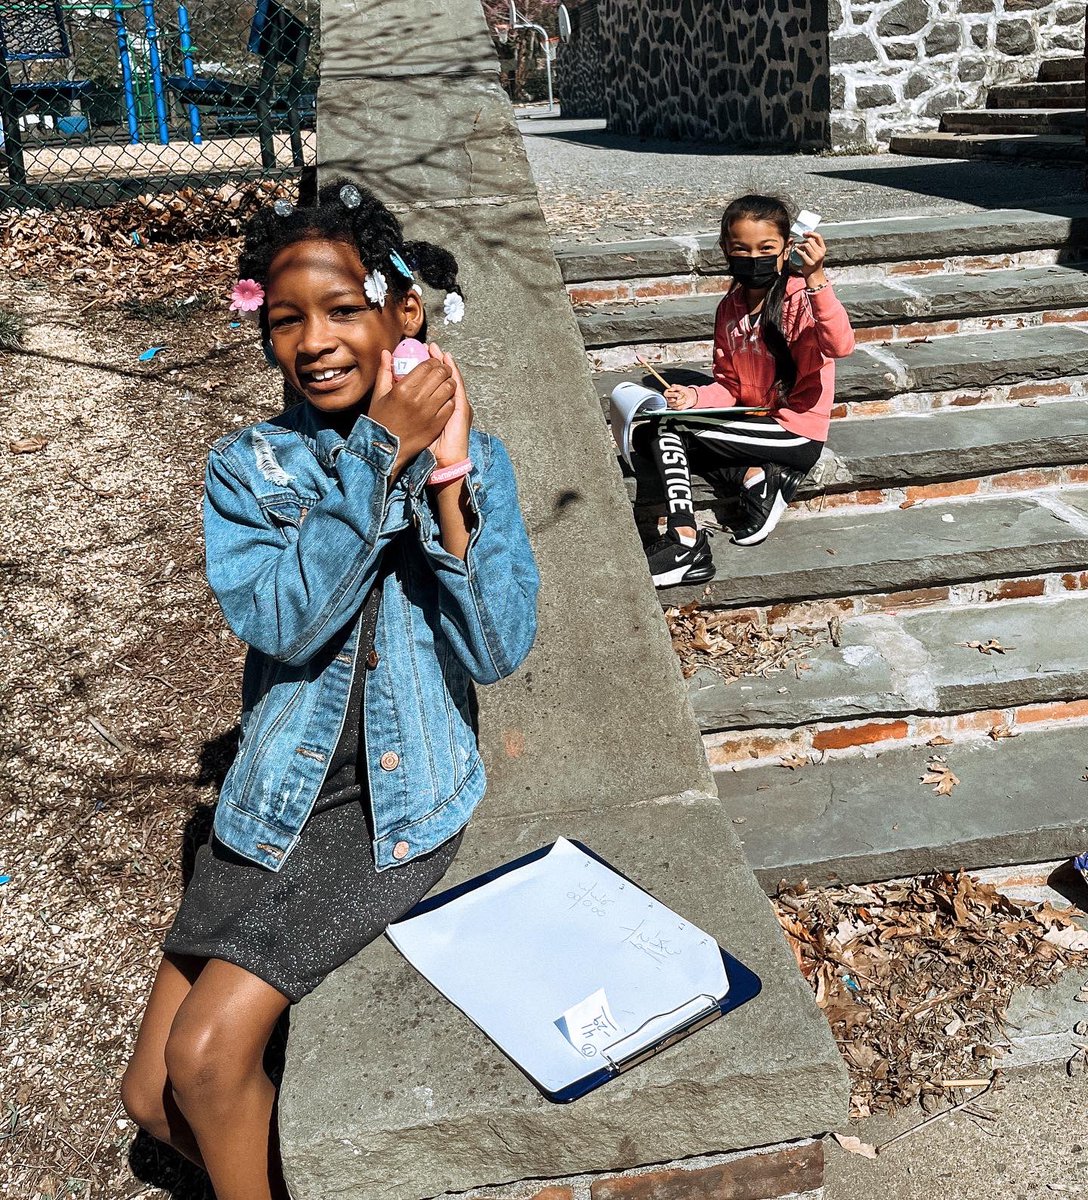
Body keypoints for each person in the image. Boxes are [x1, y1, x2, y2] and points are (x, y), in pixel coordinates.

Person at [120, 179, 539, 1200]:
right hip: (272, 801)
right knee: (148, 1102)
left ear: (404, 317)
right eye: (285, 319)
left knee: (207, 1059)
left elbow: (493, 649)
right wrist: (373, 461)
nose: (313, 340)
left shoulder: (476, 462)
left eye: (342, 309)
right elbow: (280, 624)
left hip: (390, 807)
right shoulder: (249, 468)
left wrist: (440, 477)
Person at [641, 194, 855, 588]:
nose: (752, 257)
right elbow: (729, 386)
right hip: (752, 421)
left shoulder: (801, 299)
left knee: (670, 433)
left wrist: (816, 278)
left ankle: (686, 542)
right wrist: (694, 398)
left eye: (766, 248)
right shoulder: (730, 308)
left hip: (794, 431)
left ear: (787, 248)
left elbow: (840, 345)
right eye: (741, 248)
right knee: (651, 431)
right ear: (725, 249)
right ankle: (754, 477)